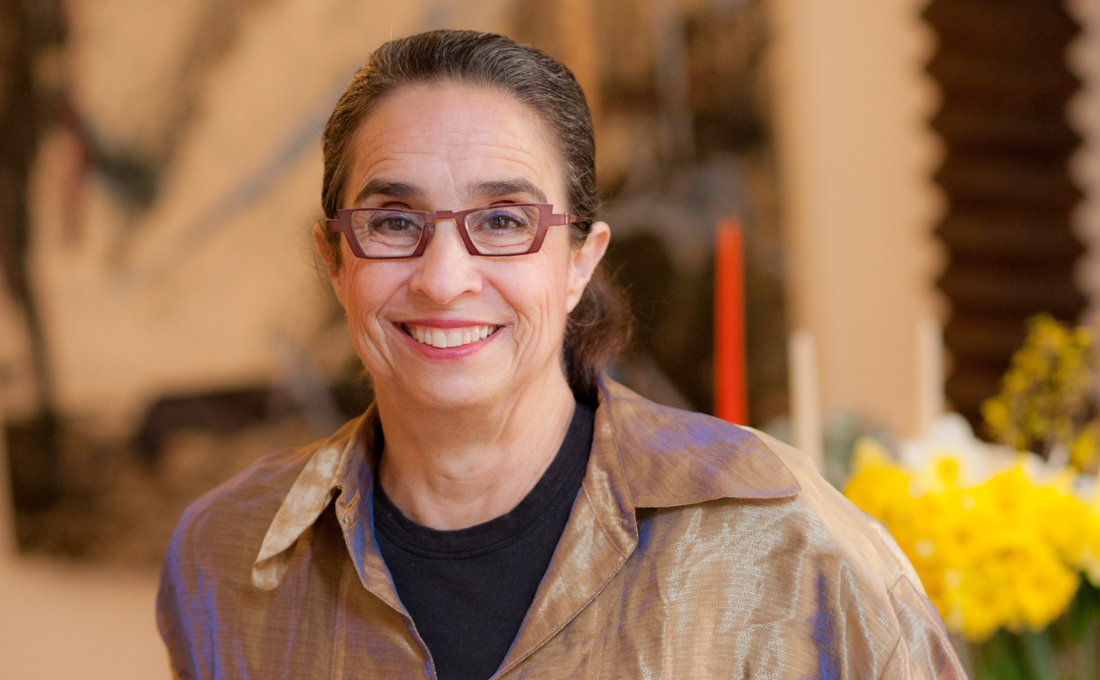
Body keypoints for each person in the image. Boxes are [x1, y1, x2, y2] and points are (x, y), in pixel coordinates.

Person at [157, 30, 964, 680]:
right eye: (394, 222)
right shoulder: (225, 557)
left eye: (503, 220)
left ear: (579, 261)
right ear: (336, 262)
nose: (444, 279)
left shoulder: (781, 538)